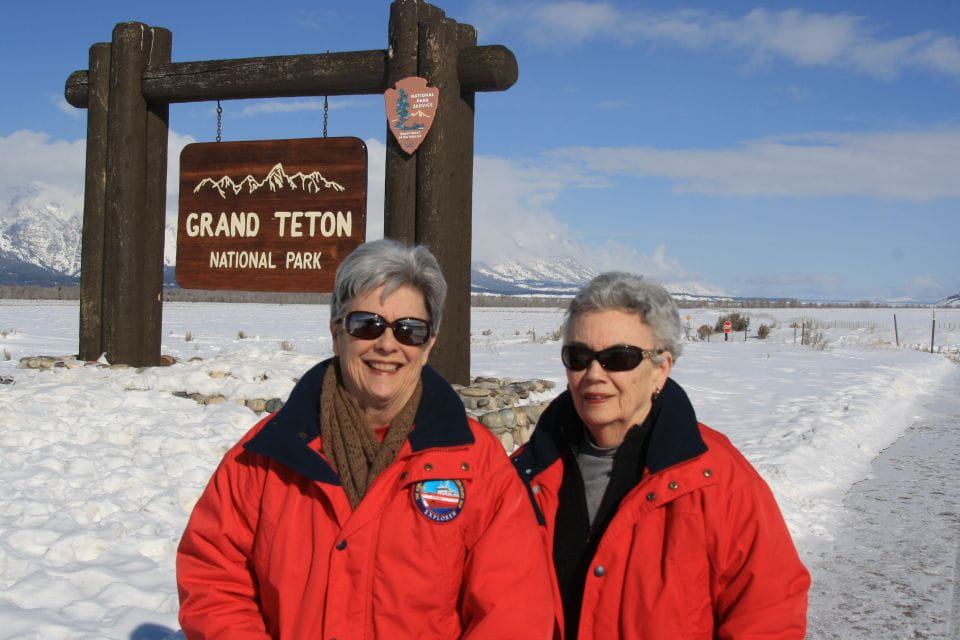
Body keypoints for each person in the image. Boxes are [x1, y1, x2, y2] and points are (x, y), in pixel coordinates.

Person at [177, 239, 554, 639]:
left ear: (428, 346)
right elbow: (213, 578)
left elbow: (514, 609)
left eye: (410, 330)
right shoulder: (269, 453)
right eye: (366, 324)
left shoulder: (475, 462)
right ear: (337, 332)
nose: (387, 344)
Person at [512, 272, 810, 639]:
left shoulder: (715, 478)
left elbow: (768, 613)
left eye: (618, 358)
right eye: (579, 356)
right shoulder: (525, 474)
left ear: (661, 369)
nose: (594, 374)